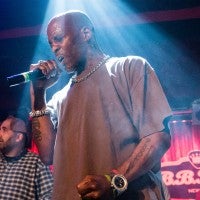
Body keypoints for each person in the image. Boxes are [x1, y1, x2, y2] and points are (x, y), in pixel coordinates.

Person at [29, 10, 172, 200]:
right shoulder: (58, 100)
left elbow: (157, 138)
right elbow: (47, 155)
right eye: (51, 44)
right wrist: (38, 93)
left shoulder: (129, 68)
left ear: (86, 34)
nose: (54, 48)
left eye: (58, 39)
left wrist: (114, 181)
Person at [0, 114, 53, 200]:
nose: (0, 133)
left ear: (18, 137)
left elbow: (50, 195)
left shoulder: (36, 163)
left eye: (4, 130)